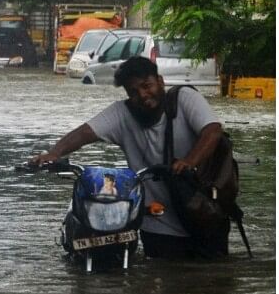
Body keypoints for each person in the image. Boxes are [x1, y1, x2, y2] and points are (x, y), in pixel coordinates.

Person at [28, 57, 227, 259]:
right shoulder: (122, 113)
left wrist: (189, 162)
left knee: (211, 282)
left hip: (204, 215)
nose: (142, 94)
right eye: (133, 92)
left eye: (146, 86)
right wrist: (54, 153)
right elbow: (85, 133)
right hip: (158, 225)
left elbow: (212, 131)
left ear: (160, 81)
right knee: (160, 281)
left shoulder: (185, 99)